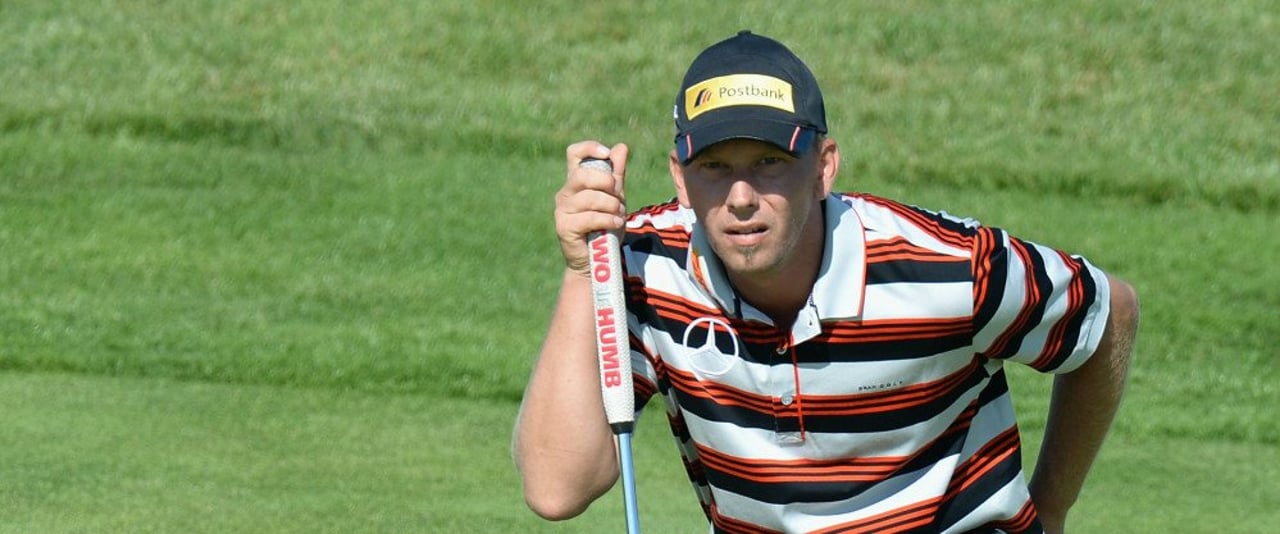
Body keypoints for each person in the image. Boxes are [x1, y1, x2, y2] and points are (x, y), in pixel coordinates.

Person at [514, 30, 1139, 533]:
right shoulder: (645, 266)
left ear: (824, 167)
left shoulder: (947, 268)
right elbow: (555, 487)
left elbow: (1108, 313)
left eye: (770, 163)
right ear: (679, 176)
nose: (739, 198)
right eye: (714, 166)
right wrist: (582, 269)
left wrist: (1051, 507)